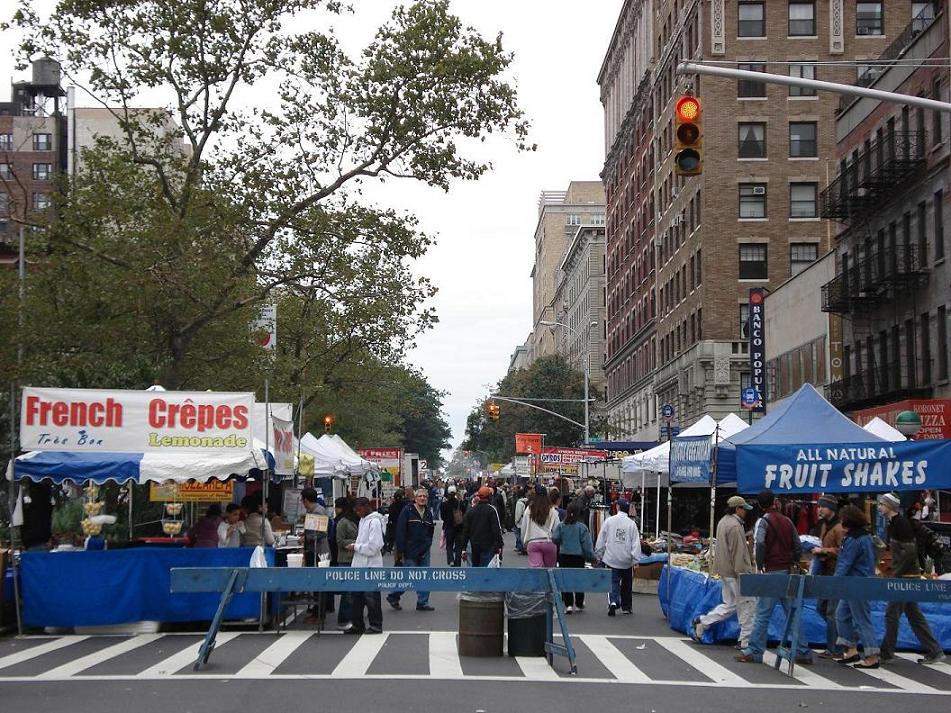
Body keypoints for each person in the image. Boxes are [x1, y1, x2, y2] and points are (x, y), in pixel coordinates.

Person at [736, 490, 812, 665]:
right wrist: (793, 560)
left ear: (760, 505)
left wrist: (760, 564)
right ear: (775, 502)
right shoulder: (787, 521)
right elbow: (797, 545)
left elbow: (760, 544)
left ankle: (755, 650)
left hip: (771, 571)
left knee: (762, 612)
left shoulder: (763, 522)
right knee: (792, 612)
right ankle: (802, 649)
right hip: (787, 571)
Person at [877, 493, 945, 665]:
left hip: (905, 576)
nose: (879, 507)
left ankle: (886, 652)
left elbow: (908, 552)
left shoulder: (900, 524)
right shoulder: (894, 524)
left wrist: (896, 573)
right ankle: (934, 650)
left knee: (891, 614)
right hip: (907, 574)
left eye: (882, 504)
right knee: (914, 614)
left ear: (890, 506)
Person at [692, 496, 754, 648]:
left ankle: (703, 622)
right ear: (738, 509)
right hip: (735, 572)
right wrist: (744, 573)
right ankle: (745, 640)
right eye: (744, 508)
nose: (745, 512)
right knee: (747, 604)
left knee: (731, 604)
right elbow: (738, 553)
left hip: (724, 570)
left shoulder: (723, 521)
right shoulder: (735, 526)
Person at [832, 504, 880, 669]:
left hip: (855, 582)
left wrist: (833, 583)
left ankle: (872, 656)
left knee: (861, 619)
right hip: (864, 580)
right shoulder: (867, 537)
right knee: (842, 615)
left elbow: (844, 563)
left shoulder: (852, 540)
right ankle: (851, 650)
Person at [387, 488, 436, 612]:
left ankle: (423, 602)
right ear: (415, 498)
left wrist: (428, 544)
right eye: (420, 496)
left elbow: (430, 531)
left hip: (424, 550)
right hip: (410, 551)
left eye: (425, 496)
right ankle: (393, 595)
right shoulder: (407, 511)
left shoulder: (428, 513)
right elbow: (401, 531)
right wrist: (400, 551)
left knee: (425, 577)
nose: (422, 498)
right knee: (408, 577)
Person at [344, 497, 386, 635]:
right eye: (355, 510)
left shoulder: (374, 522)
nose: (357, 512)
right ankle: (357, 624)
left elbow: (374, 546)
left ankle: (376, 625)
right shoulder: (363, 521)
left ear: (367, 506)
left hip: (371, 566)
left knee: (371, 597)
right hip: (360, 565)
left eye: (359, 509)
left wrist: (356, 547)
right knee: (357, 597)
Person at [810, 495, 845, 659]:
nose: (819, 509)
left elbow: (842, 551)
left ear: (830, 508)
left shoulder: (839, 528)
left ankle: (835, 648)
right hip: (825, 572)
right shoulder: (824, 525)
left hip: (834, 573)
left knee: (831, 612)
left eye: (822, 507)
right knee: (821, 608)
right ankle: (839, 639)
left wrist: (823, 551)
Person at [595, 499, 641, 616]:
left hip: (611, 557)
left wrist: (599, 554)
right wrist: (636, 560)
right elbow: (636, 543)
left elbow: (601, 538)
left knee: (613, 582)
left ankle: (613, 602)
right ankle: (626, 606)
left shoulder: (609, 521)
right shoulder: (632, 524)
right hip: (626, 560)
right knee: (627, 583)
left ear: (618, 508)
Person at [552, 502, 595, 612]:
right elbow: (587, 545)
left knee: (565, 579)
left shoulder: (561, 525)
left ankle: (568, 604)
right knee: (578, 579)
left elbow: (555, 538)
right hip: (578, 556)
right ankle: (579, 603)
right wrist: (591, 557)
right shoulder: (582, 527)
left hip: (564, 555)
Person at [461, 485, 504, 566]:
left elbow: (466, 531)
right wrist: (499, 545)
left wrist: (464, 548)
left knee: (476, 567)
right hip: (488, 544)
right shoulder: (491, 510)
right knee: (486, 568)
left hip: (475, 544)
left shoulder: (471, 511)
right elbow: (496, 529)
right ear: (489, 496)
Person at [334, 497, 359, 631]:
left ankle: (353, 617)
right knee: (348, 592)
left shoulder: (358, 520)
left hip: (357, 559)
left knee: (354, 592)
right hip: (345, 560)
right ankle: (343, 619)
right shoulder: (343, 522)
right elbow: (340, 541)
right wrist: (355, 543)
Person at [521, 485, 560, 568]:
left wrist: (524, 542)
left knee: (536, 571)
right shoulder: (552, 510)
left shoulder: (529, 509)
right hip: (549, 541)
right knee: (550, 570)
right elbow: (557, 528)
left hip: (533, 542)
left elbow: (524, 527)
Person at [440, 485, 466, 566]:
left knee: (449, 545)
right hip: (459, 527)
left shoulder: (444, 504)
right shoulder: (460, 503)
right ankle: (458, 562)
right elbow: (464, 513)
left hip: (448, 526)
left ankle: (451, 559)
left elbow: (442, 516)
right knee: (458, 546)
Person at [384, 489, 407, 554]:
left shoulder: (392, 506)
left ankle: (390, 547)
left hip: (394, 523)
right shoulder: (405, 505)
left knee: (393, 537)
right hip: (403, 523)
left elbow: (390, 514)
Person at [513, 488, 529, 555]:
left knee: (518, 535)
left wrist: (516, 521)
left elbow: (518, 513)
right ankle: (524, 548)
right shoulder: (527, 501)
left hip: (520, 522)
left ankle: (521, 548)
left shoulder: (519, 502)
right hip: (525, 520)